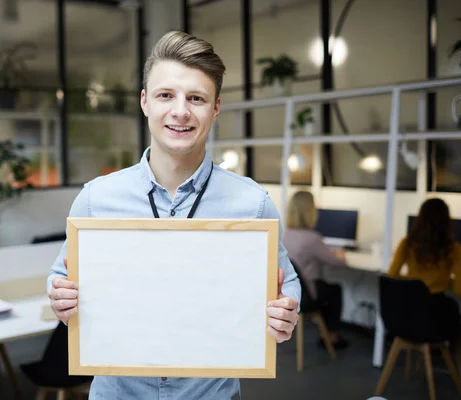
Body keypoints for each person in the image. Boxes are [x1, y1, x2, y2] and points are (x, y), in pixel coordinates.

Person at [47, 31, 301, 400]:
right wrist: (59, 297)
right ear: (145, 102)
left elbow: (287, 282)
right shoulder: (96, 199)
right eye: (166, 95)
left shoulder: (253, 203)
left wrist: (286, 312)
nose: (180, 111)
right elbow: (60, 276)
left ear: (215, 108)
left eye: (196, 98)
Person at [387, 197, 461, 388]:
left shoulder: (406, 244)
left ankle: (419, 367)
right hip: (434, 318)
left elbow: (392, 277)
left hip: (406, 317)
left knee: (432, 314)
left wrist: (414, 282)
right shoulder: (453, 249)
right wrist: (447, 280)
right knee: (457, 328)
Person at [282, 190, 349, 349]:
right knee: (334, 290)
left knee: (327, 289)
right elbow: (337, 263)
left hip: (290, 291)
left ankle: (325, 333)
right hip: (307, 296)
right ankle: (332, 336)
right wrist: (341, 254)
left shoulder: (285, 235)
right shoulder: (312, 238)